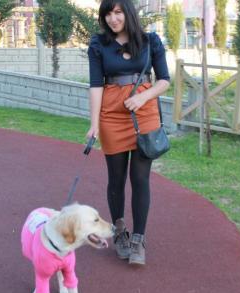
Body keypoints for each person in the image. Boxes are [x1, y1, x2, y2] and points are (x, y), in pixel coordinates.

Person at [87, 0, 170, 265]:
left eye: (118, 12)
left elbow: (164, 81)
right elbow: (95, 86)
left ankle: (138, 239)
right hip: (112, 117)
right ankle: (119, 232)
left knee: (140, 179)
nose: (113, 19)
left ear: (128, 13)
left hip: (144, 115)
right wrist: (94, 124)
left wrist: (144, 99)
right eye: (108, 14)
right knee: (116, 178)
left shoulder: (150, 41)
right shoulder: (99, 45)